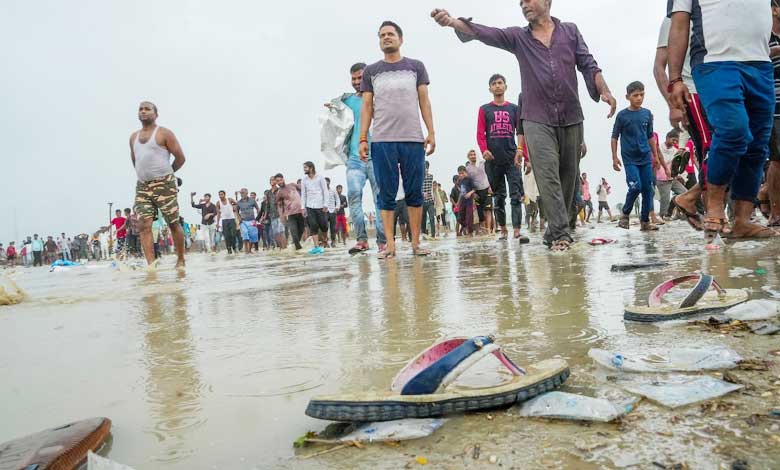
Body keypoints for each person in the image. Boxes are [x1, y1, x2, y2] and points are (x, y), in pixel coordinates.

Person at [432, 2, 617, 250]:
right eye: (521, 2)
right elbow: (488, 33)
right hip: (536, 118)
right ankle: (561, 235)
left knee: (569, 178)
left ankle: (558, 229)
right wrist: (454, 22)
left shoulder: (570, 31)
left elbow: (588, 64)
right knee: (547, 175)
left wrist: (603, 90)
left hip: (572, 116)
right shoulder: (519, 37)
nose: (524, 4)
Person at [667, 0, 775, 241]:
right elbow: (679, 25)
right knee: (732, 131)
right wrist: (674, 79)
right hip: (714, 62)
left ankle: (742, 221)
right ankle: (714, 209)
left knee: (757, 145)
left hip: (760, 64)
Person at [359, 20, 436, 259]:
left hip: (413, 139)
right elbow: (367, 106)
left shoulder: (416, 67)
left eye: (391, 34)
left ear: (401, 39)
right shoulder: (371, 71)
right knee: (387, 193)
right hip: (382, 140)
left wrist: (431, 132)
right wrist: (363, 138)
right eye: (382, 35)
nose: (386, 38)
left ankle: (415, 243)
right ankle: (390, 246)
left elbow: (424, 100)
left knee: (414, 192)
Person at [654, 14, 708, 231]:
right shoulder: (672, 20)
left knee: (729, 148)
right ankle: (712, 214)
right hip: (691, 93)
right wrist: (673, 105)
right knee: (714, 150)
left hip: (718, 91)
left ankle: (697, 202)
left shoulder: (716, 12)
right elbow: (659, 67)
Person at [327, 63, 387, 255]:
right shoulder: (347, 101)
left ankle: (382, 242)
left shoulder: (380, 99)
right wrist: (332, 108)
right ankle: (361, 240)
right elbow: (333, 114)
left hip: (377, 156)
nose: (356, 82)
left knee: (380, 199)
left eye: (360, 78)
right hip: (354, 158)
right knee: (354, 195)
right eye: (353, 79)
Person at [130, 101, 187, 267]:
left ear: (156, 114)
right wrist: (144, 176)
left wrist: (168, 175)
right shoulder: (133, 137)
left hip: (165, 184)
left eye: (147, 109)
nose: (143, 112)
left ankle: (181, 259)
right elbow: (136, 161)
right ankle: (151, 265)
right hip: (142, 186)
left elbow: (180, 157)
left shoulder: (164, 133)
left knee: (173, 222)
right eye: (140, 109)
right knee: (143, 224)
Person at [477, 74, 526, 241]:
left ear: (505, 86)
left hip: (512, 158)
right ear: (490, 88)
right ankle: (504, 229)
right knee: (498, 197)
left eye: (500, 83)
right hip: (493, 161)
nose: (497, 86)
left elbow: (520, 132)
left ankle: (517, 230)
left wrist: (522, 152)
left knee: (516, 195)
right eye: (494, 84)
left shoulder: (514, 109)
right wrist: (484, 150)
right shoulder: (484, 109)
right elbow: (480, 133)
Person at [611, 81, 662, 231]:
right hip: (629, 159)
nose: (639, 98)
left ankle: (645, 222)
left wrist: (656, 156)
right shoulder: (622, 116)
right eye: (635, 95)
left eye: (642, 95)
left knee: (648, 189)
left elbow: (650, 136)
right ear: (628, 97)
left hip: (645, 158)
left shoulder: (647, 114)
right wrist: (614, 157)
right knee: (635, 187)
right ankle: (625, 214)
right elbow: (614, 137)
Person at [765, 1, 780, 228]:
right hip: (773, 106)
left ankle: (761, 193)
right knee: (778, 159)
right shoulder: (763, 34)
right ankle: (776, 212)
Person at [656, 130, 689, 218]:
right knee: (665, 200)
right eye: (673, 140)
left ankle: (675, 207)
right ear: (667, 137)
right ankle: (663, 217)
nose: (674, 142)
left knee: (685, 193)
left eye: (676, 141)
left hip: (673, 178)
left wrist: (681, 176)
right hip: (662, 179)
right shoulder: (658, 148)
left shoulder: (675, 151)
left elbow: (677, 166)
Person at [465, 149, 496, 237]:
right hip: (477, 192)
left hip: (487, 189)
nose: (473, 156)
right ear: (468, 157)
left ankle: (489, 230)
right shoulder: (468, 169)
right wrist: (473, 193)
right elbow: (468, 182)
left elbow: (489, 173)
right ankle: (484, 230)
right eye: (471, 155)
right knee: (480, 213)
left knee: (488, 210)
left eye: (474, 154)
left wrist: (490, 186)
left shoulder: (482, 163)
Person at [301, 161, 329, 248]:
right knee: (313, 225)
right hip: (309, 206)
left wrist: (325, 204)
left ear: (311, 168)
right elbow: (303, 194)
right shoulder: (304, 180)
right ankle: (316, 246)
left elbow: (325, 191)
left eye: (305, 167)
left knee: (324, 225)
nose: (304, 169)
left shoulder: (320, 177)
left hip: (320, 205)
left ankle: (325, 241)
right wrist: (303, 207)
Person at [275, 174, 306, 250]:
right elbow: (279, 206)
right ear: (276, 182)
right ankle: (298, 248)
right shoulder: (279, 193)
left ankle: (295, 247)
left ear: (283, 179)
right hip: (290, 214)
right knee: (293, 232)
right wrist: (282, 217)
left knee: (301, 230)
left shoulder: (292, 185)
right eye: (277, 181)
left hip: (301, 211)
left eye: (280, 180)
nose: (279, 182)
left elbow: (304, 189)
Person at [235, 188, 260, 254]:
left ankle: (249, 250)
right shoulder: (239, 202)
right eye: (241, 193)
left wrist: (258, 217)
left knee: (253, 235)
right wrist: (239, 218)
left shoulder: (252, 200)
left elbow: (257, 208)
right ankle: (246, 250)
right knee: (245, 234)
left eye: (243, 193)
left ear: (247, 193)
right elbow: (236, 211)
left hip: (252, 220)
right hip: (243, 221)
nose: (242, 194)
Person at [457, 165, 476, 236]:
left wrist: (469, 193)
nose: (461, 175)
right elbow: (459, 187)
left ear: (465, 172)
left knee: (469, 216)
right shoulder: (460, 181)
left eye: (462, 173)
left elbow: (474, 189)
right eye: (459, 173)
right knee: (460, 218)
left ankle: (470, 232)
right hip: (462, 201)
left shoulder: (469, 179)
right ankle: (464, 227)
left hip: (469, 201)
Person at [421, 161, 437, 239]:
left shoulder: (431, 176)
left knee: (431, 218)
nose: (426, 169)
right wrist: (423, 193)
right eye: (424, 168)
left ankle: (433, 235)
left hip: (430, 201)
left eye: (427, 168)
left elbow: (432, 188)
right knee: (423, 219)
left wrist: (434, 197)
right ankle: (424, 235)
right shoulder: (419, 177)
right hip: (422, 201)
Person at [325, 177, 340, 248]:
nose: (326, 183)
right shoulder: (322, 191)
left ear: (329, 182)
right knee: (324, 228)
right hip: (325, 211)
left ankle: (333, 242)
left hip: (332, 211)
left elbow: (337, 199)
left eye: (327, 181)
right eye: (324, 182)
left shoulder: (333, 191)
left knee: (333, 228)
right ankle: (326, 242)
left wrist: (337, 208)